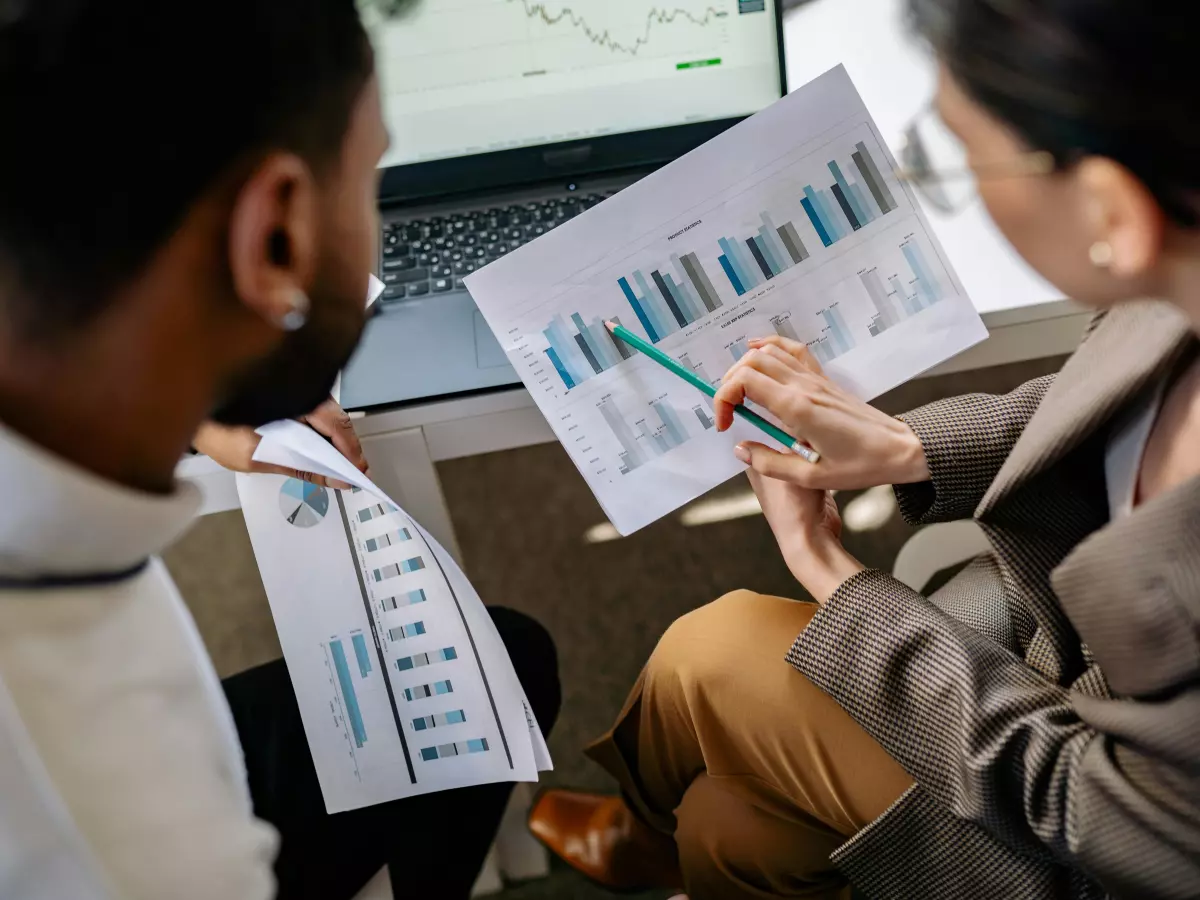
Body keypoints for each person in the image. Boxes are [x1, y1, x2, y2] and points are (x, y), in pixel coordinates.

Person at [528, 0, 1200, 897]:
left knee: (708, 653)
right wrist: (902, 447)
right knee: (729, 830)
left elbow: (1084, 806)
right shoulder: (1177, 272)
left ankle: (639, 827)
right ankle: (660, 840)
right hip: (1054, 644)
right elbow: (1111, 407)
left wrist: (832, 573)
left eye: (959, 158)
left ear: (1111, 207)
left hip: (1087, 829)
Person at [0, 2, 559, 899]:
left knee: (498, 658)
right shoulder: (133, 850)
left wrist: (201, 401)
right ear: (275, 232)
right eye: (368, 179)